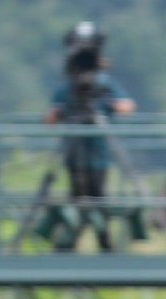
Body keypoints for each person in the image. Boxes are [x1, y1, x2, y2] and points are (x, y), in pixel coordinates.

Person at [46, 20, 137, 248]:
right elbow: (50, 118)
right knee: (77, 201)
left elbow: (128, 106)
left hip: (98, 155)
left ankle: (104, 246)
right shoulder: (68, 88)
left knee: (99, 200)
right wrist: (62, 111)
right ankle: (67, 247)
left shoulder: (105, 84)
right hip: (74, 155)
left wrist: (109, 102)